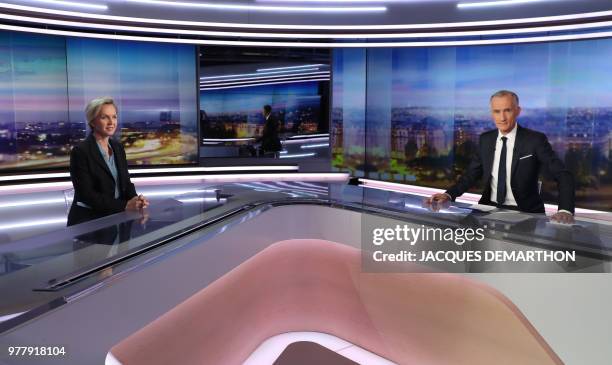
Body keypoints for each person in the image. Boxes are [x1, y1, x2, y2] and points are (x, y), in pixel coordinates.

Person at [424, 90, 575, 224]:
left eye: (507, 110)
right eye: (497, 111)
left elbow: (563, 175)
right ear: (492, 113)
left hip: (525, 212)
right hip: (487, 208)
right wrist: (449, 195)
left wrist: (565, 210)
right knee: (459, 238)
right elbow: (471, 175)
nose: (502, 117)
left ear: (517, 111)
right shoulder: (486, 139)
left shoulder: (534, 140)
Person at [67, 97, 149, 226]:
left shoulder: (118, 147)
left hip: (118, 218)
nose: (111, 122)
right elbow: (87, 195)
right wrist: (125, 205)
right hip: (90, 223)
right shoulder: (80, 151)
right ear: (92, 122)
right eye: (104, 117)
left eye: (114, 117)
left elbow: (126, 183)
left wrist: (135, 199)